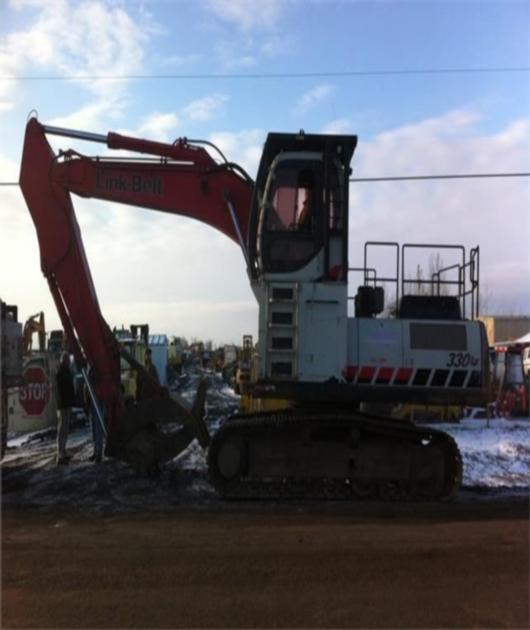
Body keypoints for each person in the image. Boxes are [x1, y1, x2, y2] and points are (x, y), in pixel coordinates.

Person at [55, 351, 76, 465]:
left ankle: (63, 451)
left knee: (65, 429)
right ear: (63, 361)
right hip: (63, 405)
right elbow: (62, 390)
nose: (68, 362)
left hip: (66, 404)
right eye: (67, 360)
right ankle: (60, 454)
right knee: (62, 429)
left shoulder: (66, 371)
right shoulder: (61, 372)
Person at [83, 368, 104, 463]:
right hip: (92, 402)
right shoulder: (90, 369)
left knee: (98, 428)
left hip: (97, 401)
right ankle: (96, 452)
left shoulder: (96, 370)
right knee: (94, 430)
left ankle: (99, 453)